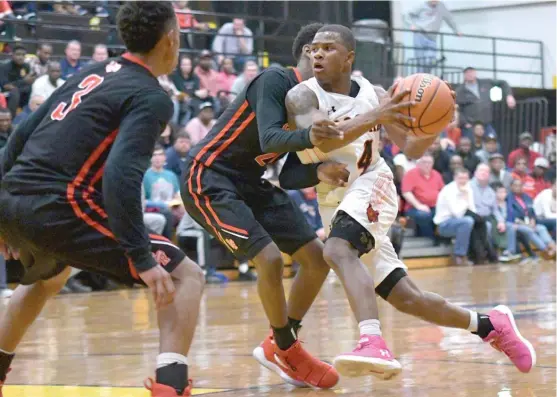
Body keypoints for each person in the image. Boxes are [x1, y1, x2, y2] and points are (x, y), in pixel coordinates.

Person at [281, 23, 536, 381]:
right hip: (335, 199)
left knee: (337, 250)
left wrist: (440, 117)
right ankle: (489, 325)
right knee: (405, 297)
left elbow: (412, 148)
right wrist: (378, 116)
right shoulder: (301, 97)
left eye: (328, 48)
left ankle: (372, 341)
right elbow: (323, 143)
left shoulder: (376, 92)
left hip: (374, 182)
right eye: (314, 49)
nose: (318, 54)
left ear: (350, 57)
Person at [0, 3, 204, 397]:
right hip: (60, 204)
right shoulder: (151, 95)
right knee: (185, 276)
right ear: (171, 40)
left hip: (15, 197)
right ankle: (171, 387)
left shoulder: (93, 73)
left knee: (47, 277)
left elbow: (20, 134)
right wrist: (142, 258)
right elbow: (121, 176)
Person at [181, 23, 344, 389]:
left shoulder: (311, 103)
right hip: (209, 176)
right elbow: (271, 137)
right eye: (330, 51)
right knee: (268, 259)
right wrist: (311, 136)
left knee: (317, 260)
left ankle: (280, 343)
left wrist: (321, 169)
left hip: (250, 181)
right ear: (311, 53)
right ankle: (287, 348)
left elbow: (288, 177)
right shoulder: (274, 80)